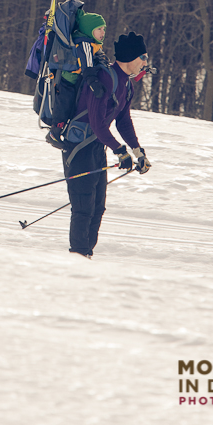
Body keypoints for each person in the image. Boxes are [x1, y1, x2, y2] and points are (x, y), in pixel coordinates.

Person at [61, 31, 152, 259]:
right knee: (83, 208)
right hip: (79, 147)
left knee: (97, 208)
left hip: (96, 146)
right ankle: (78, 256)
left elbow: (123, 121)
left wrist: (137, 151)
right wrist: (120, 150)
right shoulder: (104, 78)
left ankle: (86, 255)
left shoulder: (127, 85)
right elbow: (96, 121)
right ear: (129, 57)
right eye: (143, 57)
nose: (145, 63)